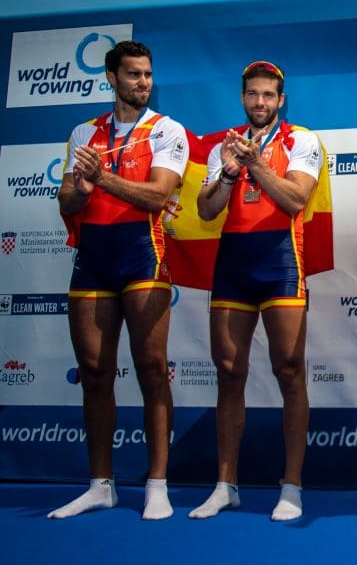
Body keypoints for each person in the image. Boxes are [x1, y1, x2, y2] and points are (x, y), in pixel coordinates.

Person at [52, 41, 188, 520]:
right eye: (133, 74)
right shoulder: (84, 132)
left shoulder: (167, 130)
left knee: (152, 370)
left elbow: (156, 196)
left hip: (142, 259)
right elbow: (67, 201)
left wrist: (102, 179)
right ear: (111, 77)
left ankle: (157, 484)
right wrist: (81, 187)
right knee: (94, 374)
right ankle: (100, 484)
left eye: (147, 74)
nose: (143, 82)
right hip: (93, 260)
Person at [189, 60, 322, 522]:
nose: (260, 102)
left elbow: (296, 199)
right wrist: (228, 174)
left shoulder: (301, 140)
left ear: (280, 100)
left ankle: (292, 486)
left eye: (268, 95)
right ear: (242, 98)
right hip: (234, 264)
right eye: (252, 95)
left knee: (289, 370)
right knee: (228, 371)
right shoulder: (223, 146)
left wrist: (255, 164)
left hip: (281, 261)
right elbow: (206, 212)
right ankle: (226, 485)